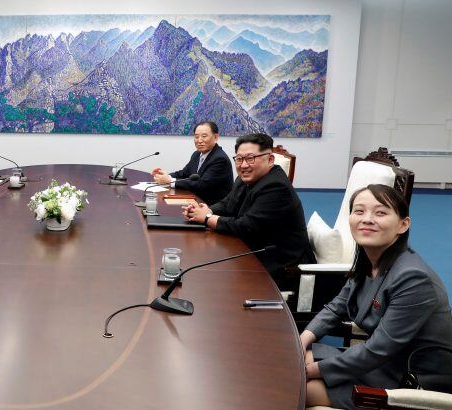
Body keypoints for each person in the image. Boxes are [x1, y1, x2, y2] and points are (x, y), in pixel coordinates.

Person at [301, 184, 452, 409]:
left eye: (380, 213)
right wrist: (303, 339)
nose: (367, 219)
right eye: (359, 211)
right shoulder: (371, 260)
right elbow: (337, 306)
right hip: (379, 362)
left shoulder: (413, 277)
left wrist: (308, 372)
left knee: (298, 388)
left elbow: (377, 350)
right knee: (292, 359)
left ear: (403, 224)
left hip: (407, 378)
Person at [183, 133, 314, 277]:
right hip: (251, 249)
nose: (244, 165)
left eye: (250, 158)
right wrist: (204, 210)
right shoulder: (244, 177)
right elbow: (227, 204)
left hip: (280, 264)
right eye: (239, 159)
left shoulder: (276, 186)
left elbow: (246, 226)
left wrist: (207, 218)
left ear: (270, 159)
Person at [151, 121, 233, 205]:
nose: (199, 140)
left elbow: (202, 185)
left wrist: (169, 181)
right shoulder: (197, 154)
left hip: (213, 208)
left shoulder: (220, 159)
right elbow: (183, 174)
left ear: (215, 137)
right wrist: (166, 176)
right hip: (196, 201)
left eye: (204, 136)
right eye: (196, 137)